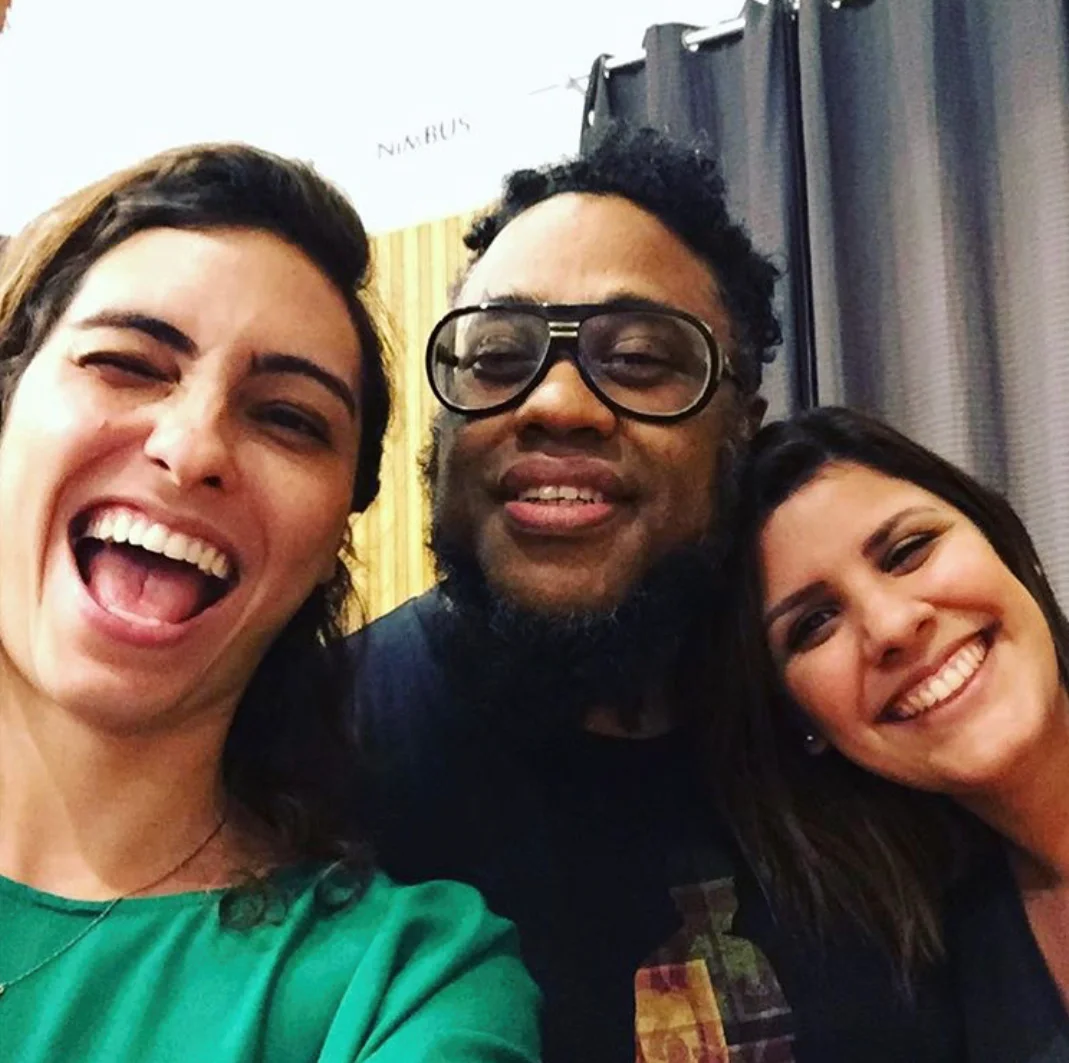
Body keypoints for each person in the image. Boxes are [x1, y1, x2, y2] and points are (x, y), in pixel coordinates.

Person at [353, 125, 964, 1062]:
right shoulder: (310, 751)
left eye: (637, 358)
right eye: (498, 358)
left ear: (740, 429)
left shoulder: (857, 707)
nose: (555, 402)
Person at [0, 143, 539, 1063]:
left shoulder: (401, 986)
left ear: (331, 543)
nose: (192, 446)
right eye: (126, 363)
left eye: (288, 417)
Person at [715, 403, 1069, 1061]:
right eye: (814, 624)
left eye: (908, 550)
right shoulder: (939, 977)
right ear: (803, 723)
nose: (891, 626)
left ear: (1001, 543)